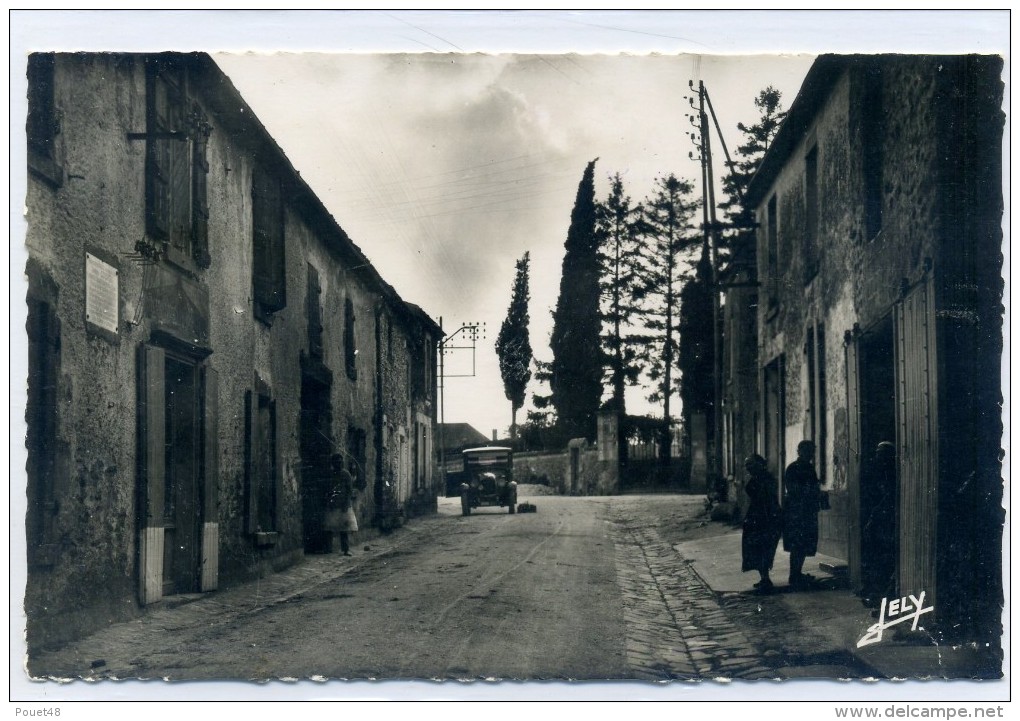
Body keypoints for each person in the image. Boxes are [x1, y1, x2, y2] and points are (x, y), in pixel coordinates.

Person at [861, 441, 897, 606]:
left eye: (882, 454)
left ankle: (879, 594)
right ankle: (874, 591)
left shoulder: (891, 473)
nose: (878, 456)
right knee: (875, 557)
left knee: (883, 558)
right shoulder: (876, 471)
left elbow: (886, 498)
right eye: (878, 453)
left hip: (884, 520)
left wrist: (873, 517)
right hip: (877, 519)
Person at [783, 439, 823, 588]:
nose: (810, 454)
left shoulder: (809, 468)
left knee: (804, 544)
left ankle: (797, 574)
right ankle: (794, 575)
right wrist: (810, 491)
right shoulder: (793, 468)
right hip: (797, 512)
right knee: (797, 545)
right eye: (807, 451)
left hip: (807, 512)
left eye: (811, 451)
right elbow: (793, 489)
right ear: (799, 452)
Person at [741, 454, 783, 593]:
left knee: (764, 548)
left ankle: (766, 579)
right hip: (756, 517)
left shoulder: (766, 479)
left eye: (751, 464)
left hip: (765, 518)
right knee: (756, 549)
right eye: (747, 465)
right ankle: (764, 578)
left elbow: (768, 500)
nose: (748, 468)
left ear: (759, 464)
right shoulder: (756, 477)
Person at [326, 454, 359, 556]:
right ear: (333, 463)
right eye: (336, 462)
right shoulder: (330, 474)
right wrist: (329, 502)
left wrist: (346, 503)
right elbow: (328, 489)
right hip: (333, 504)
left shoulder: (346, 474)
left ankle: (345, 549)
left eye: (340, 462)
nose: (338, 464)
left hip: (343, 504)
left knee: (344, 528)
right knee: (329, 527)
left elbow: (349, 490)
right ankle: (328, 548)